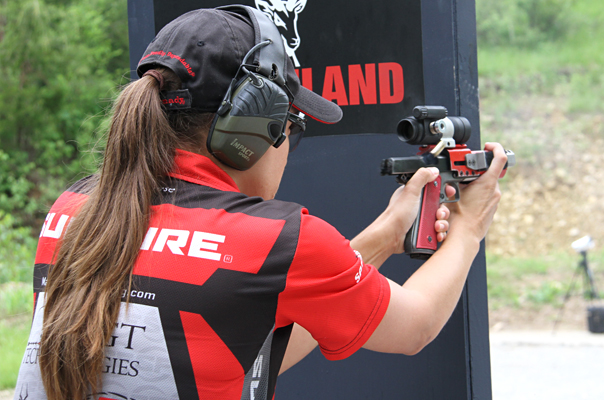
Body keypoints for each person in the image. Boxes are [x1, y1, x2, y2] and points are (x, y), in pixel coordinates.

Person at [13, 6, 505, 400]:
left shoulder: (73, 210)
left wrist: (381, 237)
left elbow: (239, 355)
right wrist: (469, 225)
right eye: (292, 126)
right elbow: (414, 326)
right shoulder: (278, 240)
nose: (290, 143)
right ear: (253, 128)